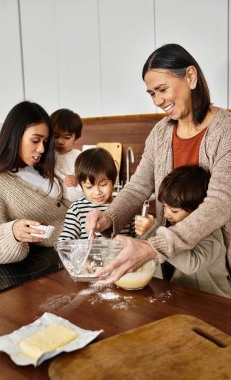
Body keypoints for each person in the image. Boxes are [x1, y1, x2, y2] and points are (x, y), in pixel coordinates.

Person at [85, 43, 231, 285]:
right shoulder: (160, 133)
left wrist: (154, 247)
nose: (158, 101)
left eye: (162, 89)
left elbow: (220, 204)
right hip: (174, 267)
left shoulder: (226, 132)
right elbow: (138, 187)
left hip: (219, 272)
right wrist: (108, 217)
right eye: (152, 93)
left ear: (191, 77)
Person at [0, 101, 67, 264]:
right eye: (35, 140)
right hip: (50, 261)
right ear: (14, 137)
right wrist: (13, 232)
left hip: (78, 246)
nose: (41, 149)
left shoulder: (43, 166)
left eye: (45, 142)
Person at [135, 165, 231, 298]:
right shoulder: (176, 230)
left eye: (174, 211)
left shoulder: (213, 235)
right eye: (164, 207)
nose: (166, 215)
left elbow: (191, 264)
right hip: (185, 295)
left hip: (213, 301)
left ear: (198, 210)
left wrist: (154, 231)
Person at [58, 147, 135, 240]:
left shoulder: (125, 206)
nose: (97, 192)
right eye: (89, 187)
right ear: (81, 185)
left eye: (103, 184)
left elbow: (137, 239)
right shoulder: (77, 209)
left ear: (114, 180)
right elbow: (64, 242)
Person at [50, 108, 84, 207]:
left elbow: (87, 176)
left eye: (67, 137)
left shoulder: (79, 156)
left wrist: (77, 179)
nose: (60, 141)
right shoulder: (50, 155)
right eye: (56, 136)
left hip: (77, 202)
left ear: (76, 139)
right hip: (57, 203)